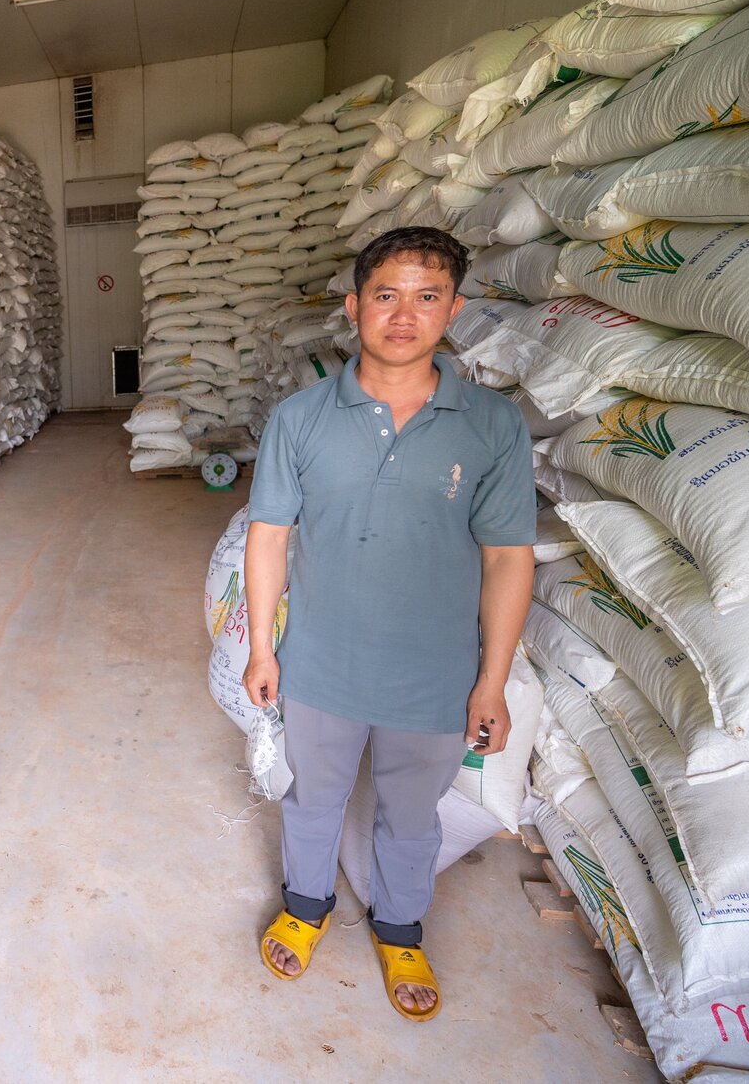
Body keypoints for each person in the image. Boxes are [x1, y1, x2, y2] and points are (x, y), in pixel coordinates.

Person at [242, 226, 535, 1021]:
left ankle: (400, 926)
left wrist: (492, 680)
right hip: (324, 662)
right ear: (354, 306)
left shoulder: (491, 425)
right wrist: (263, 646)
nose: (404, 314)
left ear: (454, 309)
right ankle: (306, 905)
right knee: (313, 796)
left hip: (435, 670)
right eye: (386, 294)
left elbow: (509, 558)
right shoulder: (300, 419)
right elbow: (268, 535)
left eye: (426, 295)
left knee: (412, 809)